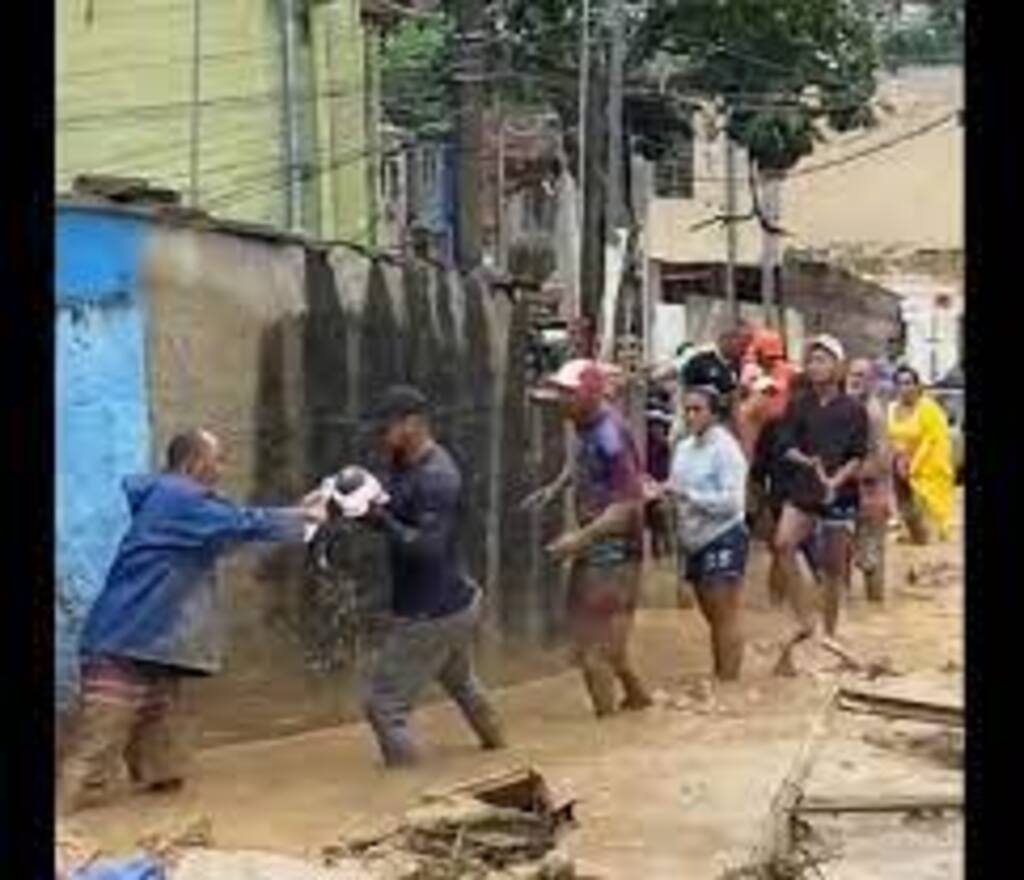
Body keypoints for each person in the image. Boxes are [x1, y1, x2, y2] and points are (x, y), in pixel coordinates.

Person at [59, 429, 326, 813]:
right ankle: (65, 841)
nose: (221, 469)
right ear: (194, 463)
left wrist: (300, 514)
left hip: (152, 647)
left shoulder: (178, 503)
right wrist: (305, 517)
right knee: (92, 760)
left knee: (163, 766)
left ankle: (157, 834)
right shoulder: (179, 497)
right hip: (122, 643)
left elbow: (234, 529)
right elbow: (241, 523)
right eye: (217, 460)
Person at [358, 386, 506, 766]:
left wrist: (381, 520)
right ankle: (503, 755)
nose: (380, 433)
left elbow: (426, 547)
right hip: (452, 600)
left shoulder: (438, 476)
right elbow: (394, 512)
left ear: (414, 423)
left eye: (387, 425)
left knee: (384, 706)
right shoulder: (401, 461)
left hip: (434, 610)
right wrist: (360, 505)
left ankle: (407, 796)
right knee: (461, 681)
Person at [536, 359, 652, 717]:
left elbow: (628, 505)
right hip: (599, 545)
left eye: (566, 395)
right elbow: (583, 464)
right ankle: (638, 700)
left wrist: (579, 538)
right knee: (600, 644)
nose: (559, 402)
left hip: (614, 550)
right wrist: (556, 487)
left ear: (587, 396)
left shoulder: (611, 436)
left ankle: (608, 733)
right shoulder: (586, 424)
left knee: (592, 653)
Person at [772, 336, 869, 671]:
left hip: (840, 494)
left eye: (823, 360)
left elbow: (858, 455)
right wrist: (809, 463)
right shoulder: (799, 404)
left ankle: (831, 632)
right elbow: (784, 444)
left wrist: (835, 481)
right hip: (804, 488)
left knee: (833, 567)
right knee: (783, 544)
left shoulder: (854, 409)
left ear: (838, 367)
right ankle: (803, 618)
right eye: (812, 360)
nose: (816, 366)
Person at [668, 386, 750, 680]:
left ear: (713, 414)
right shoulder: (683, 449)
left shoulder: (726, 450)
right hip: (694, 539)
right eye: (686, 410)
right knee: (711, 615)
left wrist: (690, 495)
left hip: (723, 534)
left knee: (723, 612)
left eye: (697, 410)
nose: (690, 416)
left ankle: (729, 681)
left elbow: (732, 503)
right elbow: (675, 495)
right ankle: (721, 674)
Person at [886, 365, 955, 544]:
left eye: (909, 383)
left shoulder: (929, 408)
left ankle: (929, 532)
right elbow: (887, 436)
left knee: (927, 535)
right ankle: (905, 528)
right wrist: (898, 457)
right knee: (904, 508)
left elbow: (932, 440)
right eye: (900, 383)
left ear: (917, 386)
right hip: (897, 465)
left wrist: (912, 465)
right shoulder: (891, 408)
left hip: (925, 469)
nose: (904, 388)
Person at [846, 358, 892, 601]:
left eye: (862, 375)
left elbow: (882, 461)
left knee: (870, 558)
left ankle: (874, 608)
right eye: (853, 374)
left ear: (872, 382)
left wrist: (849, 473)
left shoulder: (873, 413)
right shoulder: (847, 407)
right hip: (850, 490)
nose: (855, 379)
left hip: (870, 492)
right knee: (842, 550)